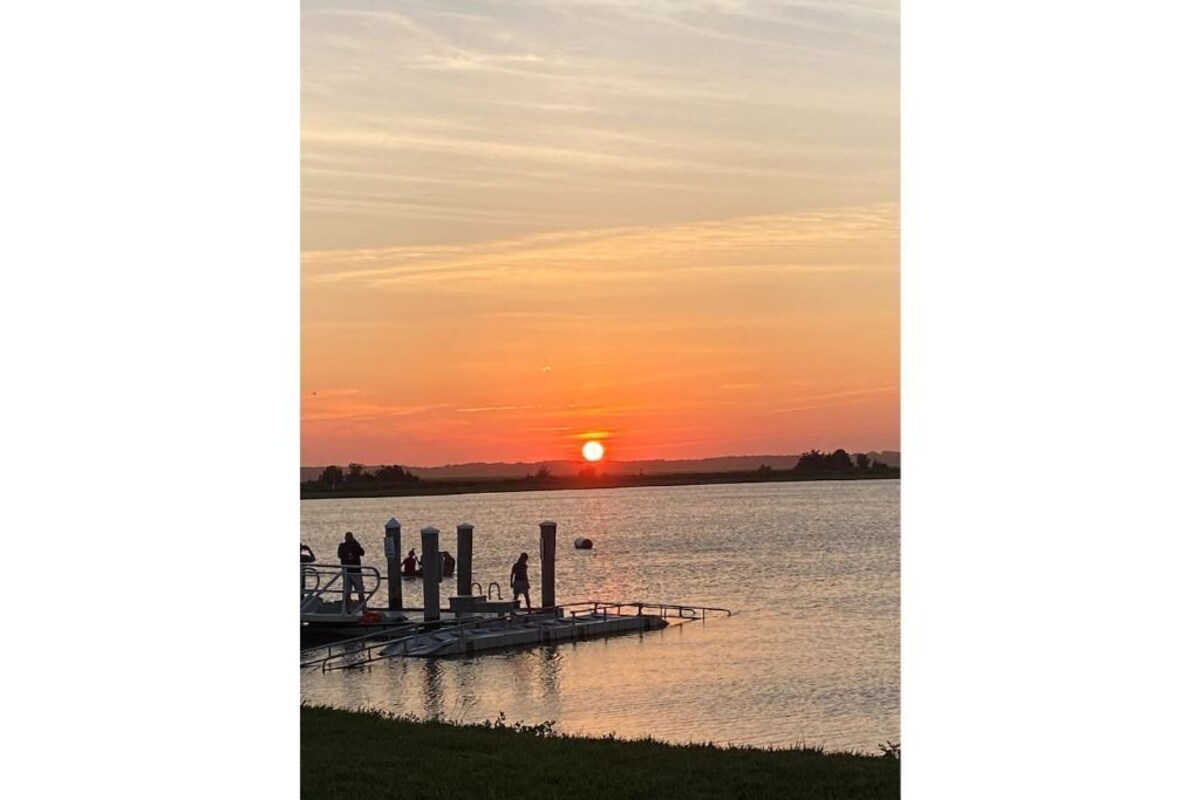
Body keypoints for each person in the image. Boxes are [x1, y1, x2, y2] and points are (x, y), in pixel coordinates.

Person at [337, 531, 367, 609]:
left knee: (348, 591)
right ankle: (362, 607)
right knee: (359, 590)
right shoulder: (355, 545)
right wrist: (355, 543)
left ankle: (347, 608)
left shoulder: (342, 546)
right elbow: (362, 553)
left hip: (347, 571)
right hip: (355, 571)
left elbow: (339, 556)